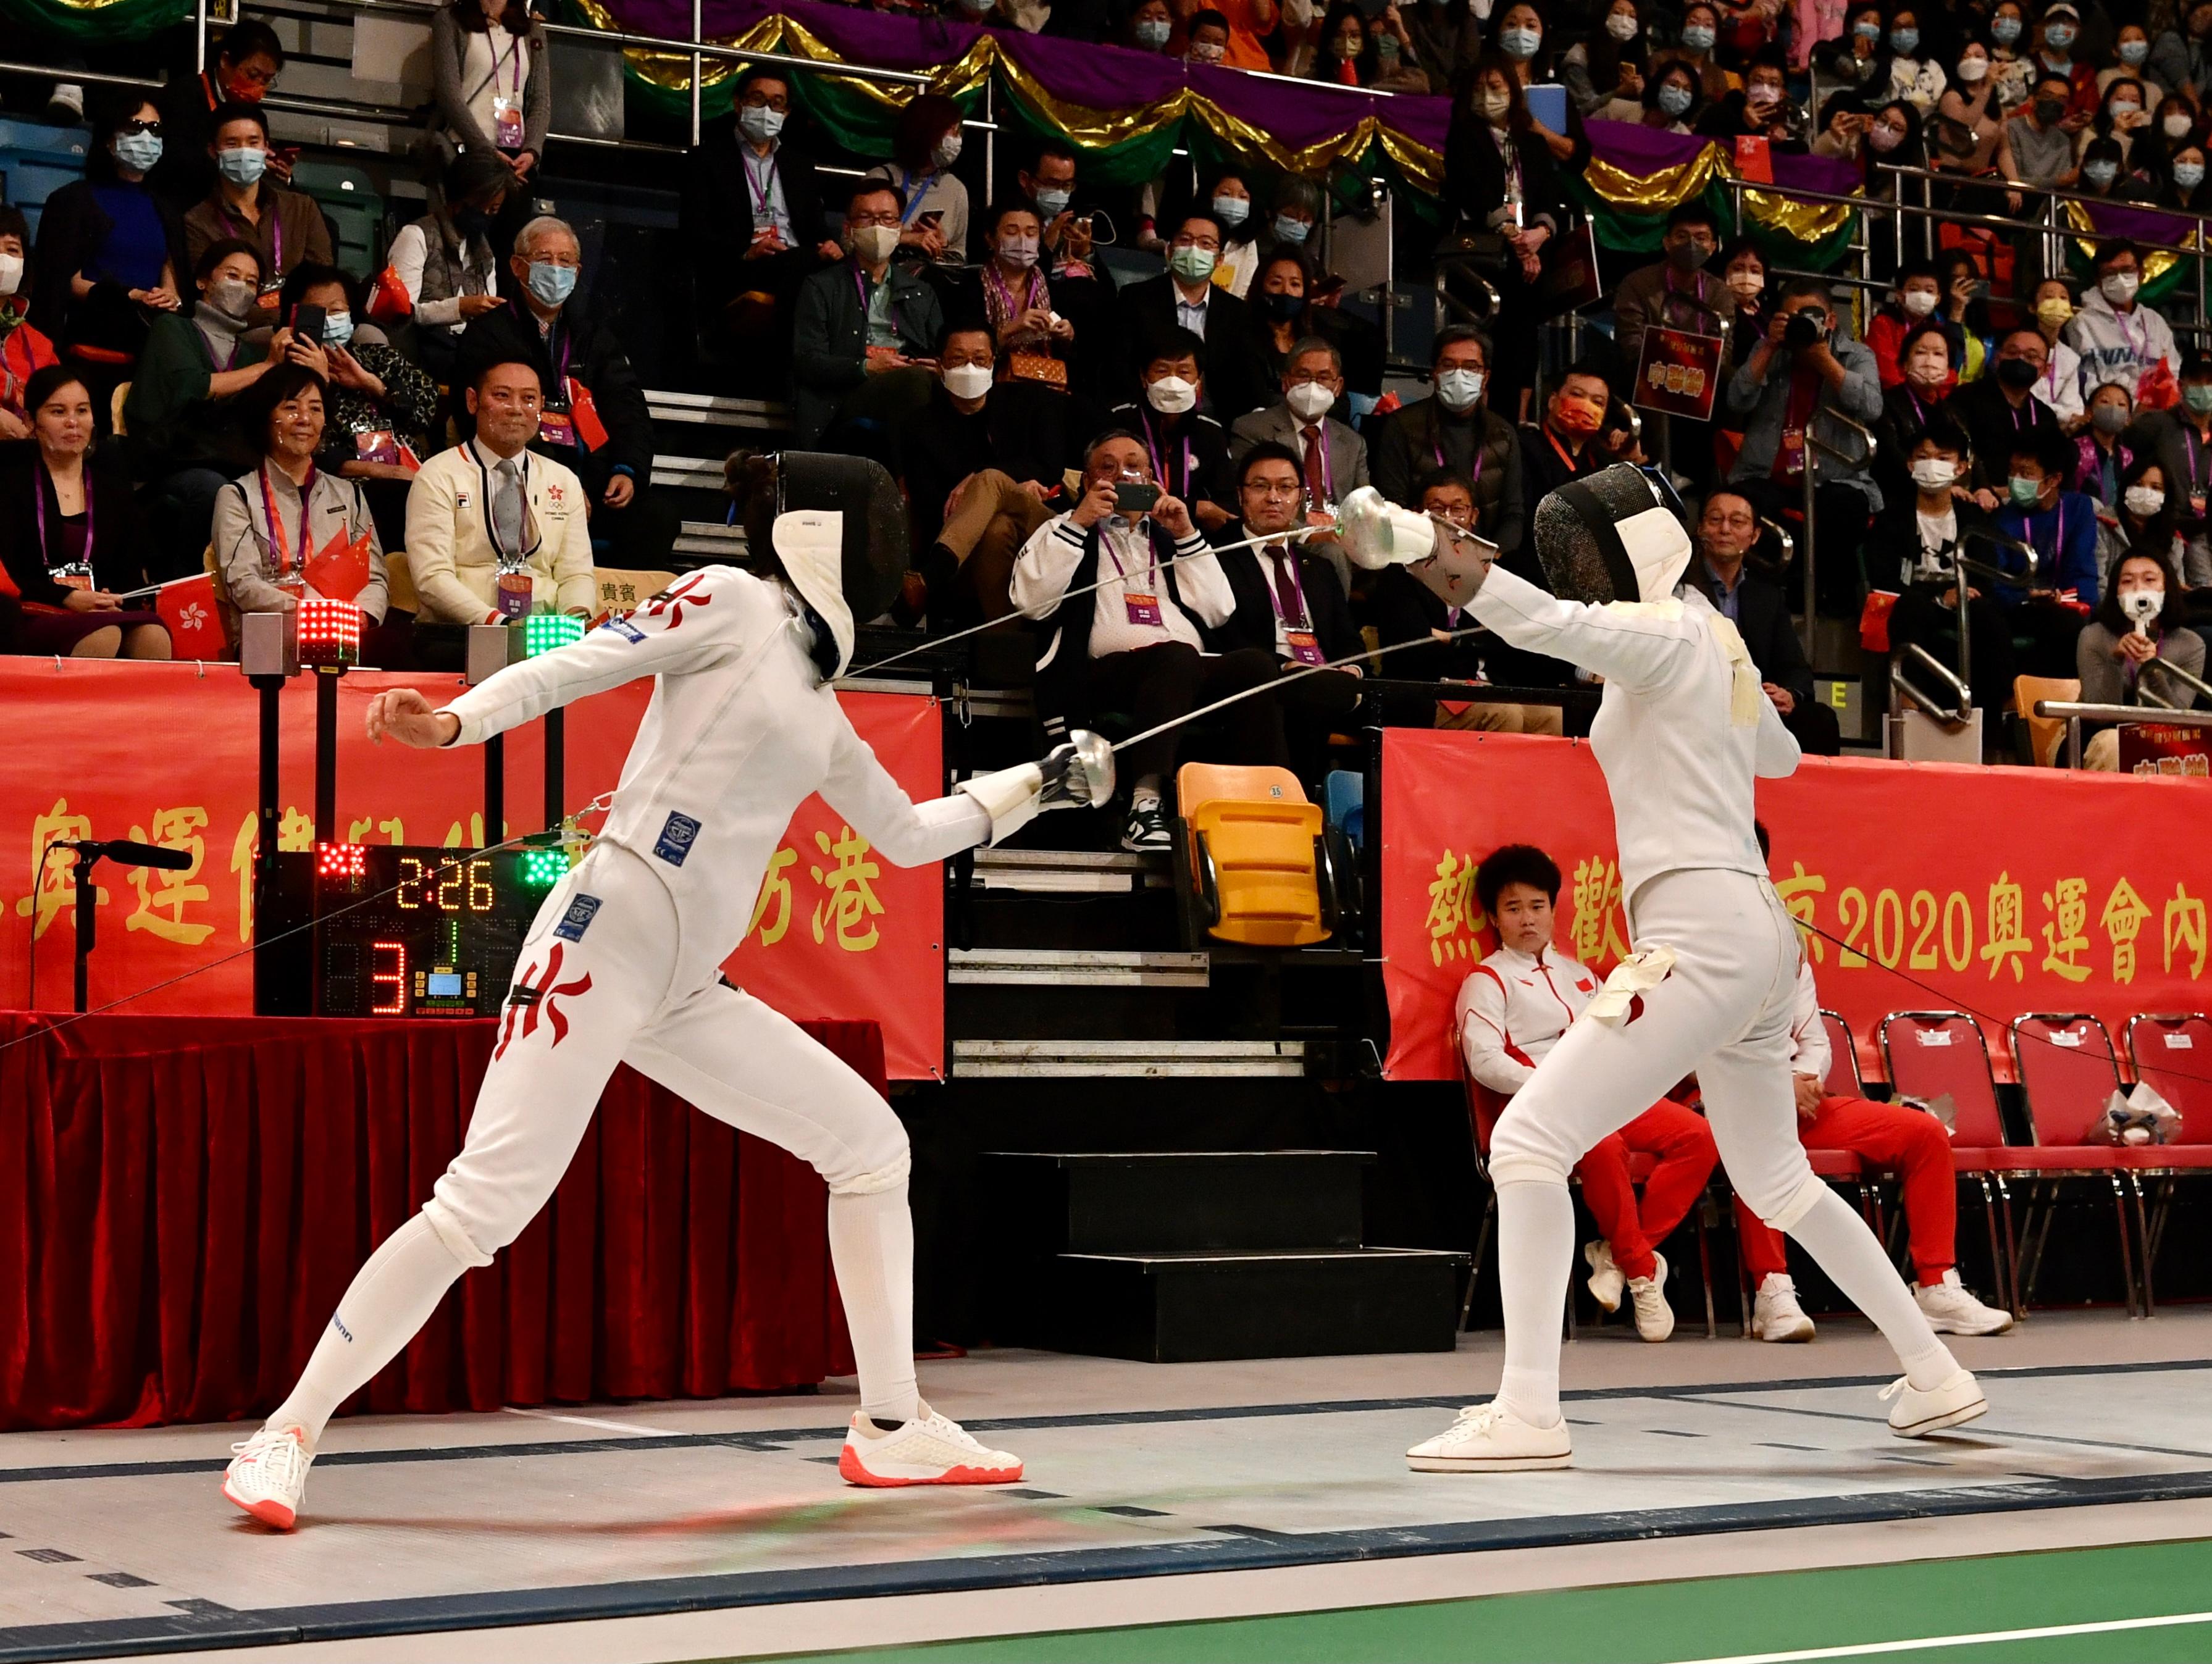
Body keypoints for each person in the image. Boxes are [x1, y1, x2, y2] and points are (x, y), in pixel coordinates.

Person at [217, 456, 1094, 1530]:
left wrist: (1036, 788)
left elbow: (908, 837)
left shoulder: (823, 713)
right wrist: (452, 725)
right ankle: (285, 1434)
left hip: (684, 988)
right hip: (601, 940)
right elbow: (576, 663)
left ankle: (892, 1427)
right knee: (478, 1210)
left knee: (871, 1148)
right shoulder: (732, 600)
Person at [1339, 465, 1989, 1474]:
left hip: (1699, 932)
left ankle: (1527, 1412)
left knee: (1525, 1142)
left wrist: (1422, 549)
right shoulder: (1708, 639)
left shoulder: (1674, 636)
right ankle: (1932, 1371)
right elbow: (1774, 758)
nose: (1580, 571)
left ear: (1634, 548)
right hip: (1756, 935)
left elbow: (1546, 626)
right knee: (1775, 1180)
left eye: (1589, 553)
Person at [1737, 828, 2016, 1340]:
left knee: (1923, 1133)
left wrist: (1803, 1078)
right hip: (1738, 1107)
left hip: (1802, 1103)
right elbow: (1705, 1046)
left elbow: (1814, 1036)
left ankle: (1935, 1285)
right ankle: (1771, 1291)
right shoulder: (1690, 942)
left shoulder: (1785, 941)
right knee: (1756, 1144)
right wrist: (1779, 1088)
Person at [1457, 842, 1719, 1344]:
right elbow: (1486, 1062)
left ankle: (1617, 1257)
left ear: (1554, 909)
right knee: (1603, 1146)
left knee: (1700, 1136)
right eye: (1514, 909)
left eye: (1537, 906)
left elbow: (1623, 1042)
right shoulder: (1486, 980)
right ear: (1494, 916)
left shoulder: (1585, 977)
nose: (1527, 919)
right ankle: (1644, 1274)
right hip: (1543, 1110)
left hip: (1605, 1096)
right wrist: (1553, 1085)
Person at [1008, 429, 1272, 851]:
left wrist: (1186, 533)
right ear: (1087, 480)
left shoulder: (1168, 536)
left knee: (1258, 667)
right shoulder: (1063, 528)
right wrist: (1081, 520)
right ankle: (1144, 807)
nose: (1123, 474)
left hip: (1181, 666)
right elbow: (1031, 602)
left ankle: (1259, 805)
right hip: (1106, 674)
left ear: (1153, 478)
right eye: (1107, 467)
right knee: (1175, 658)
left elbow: (1218, 609)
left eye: (1135, 465)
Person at [456, 215, 676, 564]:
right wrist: (562, 489)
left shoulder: (593, 337)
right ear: (517, 266)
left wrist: (627, 470)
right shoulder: (489, 334)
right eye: (545, 260)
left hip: (595, 484)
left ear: (577, 271)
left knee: (656, 517)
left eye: (566, 261)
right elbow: (484, 421)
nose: (556, 269)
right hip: (519, 480)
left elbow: (629, 409)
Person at [123, 238, 304, 578]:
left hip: (227, 461)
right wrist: (267, 368)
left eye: (252, 282)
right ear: (202, 281)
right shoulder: (172, 328)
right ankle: (182, 586)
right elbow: (195, 386)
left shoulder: (250, 351)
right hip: (168, 463)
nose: (243, 288)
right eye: (233, 275)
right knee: (213, 488)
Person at [895, 323, 1086, 622]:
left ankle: (928, 580)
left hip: (1040, 524)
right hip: (968, 551)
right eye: (958, 360)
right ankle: (1004, 642)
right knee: (997, 529)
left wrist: (984, 478)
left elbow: (1050, 467)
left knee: (990, 480)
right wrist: (992, 498)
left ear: (994, 363)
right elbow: (931, 503)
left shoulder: (1033, 402)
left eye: (980, 359)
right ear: (941, 366)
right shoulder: (919, 427)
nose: (970, 368)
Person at [1722, 278, 1882, 618]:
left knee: (1846, 510)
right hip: (1768, 474)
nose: (1804, 324)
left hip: (1833, 476)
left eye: (1812, 316)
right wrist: (1768, 347)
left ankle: (1828, 599)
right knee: (1743, 508)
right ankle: (1766, 598)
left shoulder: (1856, 354)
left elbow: (1872, 407)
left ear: (1832, 320)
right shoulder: (1771, 349)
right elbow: (1736, 400)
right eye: (1793, 317)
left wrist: (1825, 360)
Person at [1207, 443, 1364, 782]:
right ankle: (1299, 805)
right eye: (1261, 486)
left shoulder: (1319, 568)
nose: (1273, 497)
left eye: (1285, 487)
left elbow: (1348, 639)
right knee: (1304, 696)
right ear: (1241, 496)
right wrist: (1285, 665)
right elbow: (1225, 637)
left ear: (1300, 496)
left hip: (1328, 679)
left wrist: (1351, 668)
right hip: (1269, 683)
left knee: (1409, 706)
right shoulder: (1218, 558)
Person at [211, 363, 391, 651]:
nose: (305, 419)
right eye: (291, 408)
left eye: (316, 409)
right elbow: (241, 583)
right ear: (266, 417)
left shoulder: (349, 494)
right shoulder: (237, 495)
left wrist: (362, 615)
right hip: (268, 638)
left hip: (341, 635)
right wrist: (312, 613)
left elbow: (375, 577)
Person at [403, 358, 593, 627]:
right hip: (459, 632)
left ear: (541, 406)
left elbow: (576, 574)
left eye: (529, 398)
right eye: (502, 396)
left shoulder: (563, 480)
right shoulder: (438, 475)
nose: (516, 409)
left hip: (544, 637)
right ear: (473, 401)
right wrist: (500, 625)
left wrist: (574, 625)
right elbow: (432, 578)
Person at [685, 67, 842, 386]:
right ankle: (801, 375)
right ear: (738, 103)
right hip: (741, 267)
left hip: (798, 264)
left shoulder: (799, 165)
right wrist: (746, 251)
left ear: (787, 113)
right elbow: (694, 233)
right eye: (759, 99)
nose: (768, 110)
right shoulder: (707, 159)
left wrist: (829, 244)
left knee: (837, 265)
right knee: (803, 269)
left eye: (778, 103)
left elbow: (816, 228)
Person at [0, 365, 167, 659]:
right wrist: (69, 597)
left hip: (97, 611)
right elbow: (12, 575)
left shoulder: (112, 489)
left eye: (82, 411)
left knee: (153, 636)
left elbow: (130, 571)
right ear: (30, 422)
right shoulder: (11, 486)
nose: (73, 423)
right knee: (103, 635)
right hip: (35, 609)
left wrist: (111, 596)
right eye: (58, 412)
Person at [28, 97, 187, 404]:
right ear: (108, 140)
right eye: (135, 127)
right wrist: (130, 296)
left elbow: (172, 272)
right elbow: (63, 283)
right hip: (95, 321)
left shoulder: (167, 209)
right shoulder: (72, 200)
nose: (147, 137)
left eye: (154, 129)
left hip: (151, 326)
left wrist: (170, 295)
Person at [281, 264, 438, 552]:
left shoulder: (375, 356)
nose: (329, 320)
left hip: (413, 474)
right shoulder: (287, 375)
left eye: (337, 310)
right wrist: (319, 382)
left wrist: (372, 384)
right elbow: (309, 451)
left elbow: (426, 409)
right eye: (318, 312)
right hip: (353, 486)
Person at [1878, 416, 2022, 726]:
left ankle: (2007, 711)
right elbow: (1885, 575)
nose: (1932, 465)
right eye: (1923, 457)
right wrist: (1940, 597)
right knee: (1909, 609)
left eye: (1943, 459)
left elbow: (1985, 568)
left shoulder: (1972, 517)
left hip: (1964, 597)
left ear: (1960, 468)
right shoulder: (1893, 516)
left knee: (1987, 614)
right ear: (1910, 465)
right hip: (1917, 599)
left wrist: (1965, 592)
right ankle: (1907, 705)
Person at [1445, 60, 1567, 424]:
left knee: (1524, 334)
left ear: (1513, 93)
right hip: (1480, 252)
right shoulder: (1464, 136)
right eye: (1480, 88)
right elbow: (1472, 193)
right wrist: (1517, 240)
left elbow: (1549, 196)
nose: (1488, 96)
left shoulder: (1532, 142)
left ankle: (1518, 421)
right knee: (1486, 334)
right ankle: (1476, 413)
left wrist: (1540, 234)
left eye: (1496, 87)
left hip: (1528, 250)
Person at [789, 182, 945, 451]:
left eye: (887, 219)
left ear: (898, 229)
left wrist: (939, 366)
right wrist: (865, 367)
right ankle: (906, 480)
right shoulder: (822, 286)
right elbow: (807, 361)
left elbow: (941, 349)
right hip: (848, 393)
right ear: (849, 229)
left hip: (909, 380)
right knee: (916, 384)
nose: (878, 226)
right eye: (867, 218)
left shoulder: (921, 291)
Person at [1688, 490, 1838, 754]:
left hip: (1752, 705)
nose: (1725, 529)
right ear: (1701, 528)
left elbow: (1795, 668)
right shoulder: (1680, 585)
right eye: (1715, 519)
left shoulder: (1767, 595)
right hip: (1696, 700)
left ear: (1755, 535)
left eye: (1737, 522)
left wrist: (1790, 694)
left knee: (1819, 719)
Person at [1228, 337, 1368, 591]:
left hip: (1340, 539)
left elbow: (1363, 505)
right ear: (1286, 381)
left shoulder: (1352, 441)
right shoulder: (1252, 428)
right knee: (1330, 553)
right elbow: (1249, 501)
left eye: (1324, 377)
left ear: (1338, 387)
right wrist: (1309, 534)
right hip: (1283, 532)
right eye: (1304, 375)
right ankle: (1334, 629)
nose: (1313, 385)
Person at [1370, 327, 1523, 552]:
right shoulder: (1402, 426)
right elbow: (1392, 507)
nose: (1459, 374)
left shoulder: (1503, 434)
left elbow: (1513, 514)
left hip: (1485, 560)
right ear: (1435, 373)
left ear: (1485, 377)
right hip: (1417, 556)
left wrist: (1490, 558)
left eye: (1471, 367)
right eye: (1449, 365)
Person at [1115, 211, 1267, 423]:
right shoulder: (1136, 299)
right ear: (1169, 250)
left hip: (1215, 420)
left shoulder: (1237, 312)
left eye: (1206, 244)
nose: (1194, 250)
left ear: (1220, 259)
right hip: (1147, 417)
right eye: (1185, 240)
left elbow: (1249, 382)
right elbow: (1120, 369)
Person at [180, 102, 332, 313]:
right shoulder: (197, 221)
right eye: (232, 144)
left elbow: (322, 281)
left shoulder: (301, 208)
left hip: (302, 324)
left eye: (253, 142)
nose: (244, 152)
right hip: (238, 327)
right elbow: (212, 295)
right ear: (213, 151)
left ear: (266, 148)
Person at [382, 147, 508, 385]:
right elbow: (401, 315)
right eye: (481, 206)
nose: (486, 215)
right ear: (457, 198)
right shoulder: (417, 236)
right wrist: (459, 308)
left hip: (468, 354)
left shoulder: (484, 252)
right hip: (423, 355)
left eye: (494, 210)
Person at [2077, 547, 2205, 768]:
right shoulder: (2094, 636)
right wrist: (2115, 659)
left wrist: (2153, 670)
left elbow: (2179, 720)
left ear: (2167, 587)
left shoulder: (2191, 644)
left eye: (2149, 580)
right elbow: (2099, 717)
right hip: (2092, 741)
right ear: (2116, 592)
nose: (2138, 589)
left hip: (2157, 744)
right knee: (2113, 745)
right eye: (2127, 581)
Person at [1992, 424, 2101, 674]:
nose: (2016, 480)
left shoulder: (2079, 508)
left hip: (2066, 603)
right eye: (2012, 471)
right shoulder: (2002, 518)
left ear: (2054, 479)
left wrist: (2077, 603)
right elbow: (1996, 581)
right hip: (2019, 606)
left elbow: (2083, 567)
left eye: (2026, 473)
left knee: (2090, 626)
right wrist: (2027, 596)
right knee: (2064, 626)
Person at [151, 17, 287, 212]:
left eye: (267, 80)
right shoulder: (182, 96)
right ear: (225, 61)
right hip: (183, 200)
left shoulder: (252, 112)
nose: (259, 87)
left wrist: (277, 167)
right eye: (253, 75)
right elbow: (177, 162)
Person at [427, 0, 549, 204]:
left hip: (516, 158)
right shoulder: (450, 21)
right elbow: (449, 95)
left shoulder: (532, 31)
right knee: (466, 228)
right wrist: (486, 151)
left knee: (512, 233)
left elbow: (541, 100)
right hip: (468, 150)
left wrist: (531, 152)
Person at [1110, 327, 1231, 532]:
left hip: (1192, 538)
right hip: (1129, 533)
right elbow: (1111, 493)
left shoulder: (1210, 433)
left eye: (1184, 372)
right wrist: (1193, 508)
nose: (1173, 382)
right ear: (1143, 378)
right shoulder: (1118, 424)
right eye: (1162, 371)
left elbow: (1227, 505)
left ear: (1198, 381)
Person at [1612, 203, 1729, 378]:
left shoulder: (1720, 292)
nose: (1692, 245)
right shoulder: (1637, 283)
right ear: (1667, 243)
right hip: (1646, 378)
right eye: (1682, 236)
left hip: (1700, 383)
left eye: (1701, 238)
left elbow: (1723, 351)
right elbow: (1631, 345)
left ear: (1713, 247)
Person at [968, 200, 1076, 388]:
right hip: (995, 385)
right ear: (990, 239)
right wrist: (1009, 330)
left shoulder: (1051, 287)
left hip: (1047, 382)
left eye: (1031, 233)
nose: (1022, 240)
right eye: (1011, 232)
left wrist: (1067, 336)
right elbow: (967, 354)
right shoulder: (972, 288)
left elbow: (1067, 353)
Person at [1951, 327, 2062, 498]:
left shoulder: (2045, 416)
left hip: (2028, 501)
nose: (2020, 359)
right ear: (1997, 358)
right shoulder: (1965, 398)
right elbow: (1955, 452)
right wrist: (1986, 487)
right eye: (2012, 352)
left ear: (2046, 369)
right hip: (1975, 498)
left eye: (2032, 356)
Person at [2065, 242, 2177, 407]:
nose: (2120, 279)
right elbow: (2085, 382)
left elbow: (2174, 371)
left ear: (2141, 274)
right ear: (2098, 281)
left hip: (2156, 415)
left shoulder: (2155, 321)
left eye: (2127, 270)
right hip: (2111, 416)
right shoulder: (2082, 323)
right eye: (2110, 273)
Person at [866, 94, 970, 266]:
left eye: (959, 131)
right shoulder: (881, 178)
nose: (958, 139)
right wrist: (907, 238)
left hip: (928, 285)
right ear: (928, 132)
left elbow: (960, 257)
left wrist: (943, 246)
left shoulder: (955, 189)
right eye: (953, 131)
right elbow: (850, 240)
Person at [1520, 363, 1614, 512]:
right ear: (1552, 401)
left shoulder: (1603, 461)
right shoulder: (1524, 449)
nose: (1586, 406)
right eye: (1576, 395)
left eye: (1598, 402)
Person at [1563, 0, 1648, 115]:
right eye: (1617, 13)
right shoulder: (1578, 58)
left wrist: (1641, 92)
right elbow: (1581, 109)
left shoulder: (1634, 55)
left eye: (1632, 16)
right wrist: (1618, 93)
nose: (1624, 21)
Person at [2027, 278, 2085, 430]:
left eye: (2063, 298)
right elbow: (2027, 400)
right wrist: (2064, 415)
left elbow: (2075, 409)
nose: (2057, 303)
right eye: (2049, 297)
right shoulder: (2021, 349)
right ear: (2033, 307)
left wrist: (2068, 418)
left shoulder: (2071, 358)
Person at [1651, 1, 1735, 106]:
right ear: (1682, 29)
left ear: (1716, 37)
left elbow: (1720, 110)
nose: (1700, 29)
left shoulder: (1717, 75)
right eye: (1693, 22)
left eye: (1708, 25)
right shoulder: (1660, 59)